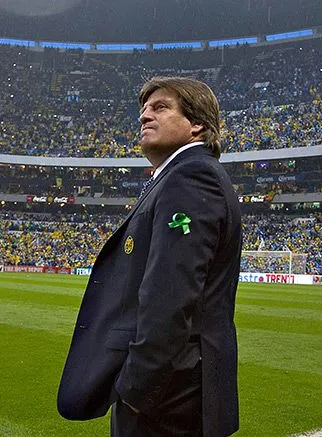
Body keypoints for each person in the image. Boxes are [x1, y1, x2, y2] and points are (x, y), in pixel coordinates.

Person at [57, 76, 242, 437]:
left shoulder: (190, 177)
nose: (144, 116)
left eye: (160, 107)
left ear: (196, 124)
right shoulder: (178, 176)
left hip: (169, 394)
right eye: (143, 109)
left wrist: (136, 390)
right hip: (176, 387)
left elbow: (171, 295)